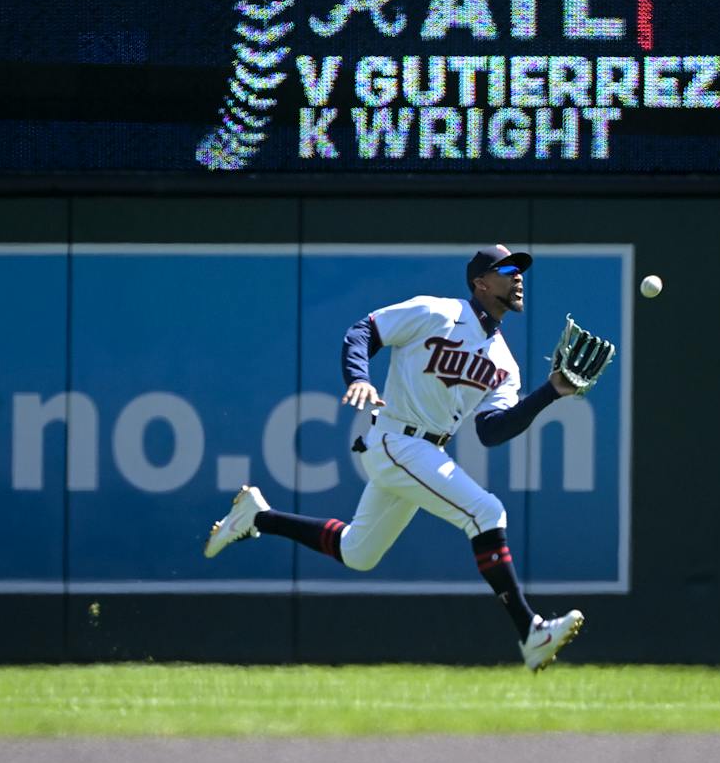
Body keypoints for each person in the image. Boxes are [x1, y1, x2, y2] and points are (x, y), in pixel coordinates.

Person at [203, 244, 585, 671]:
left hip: (423, 450)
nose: (519, 277)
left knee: (358, 552)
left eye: (521, 270)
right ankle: (530, 630)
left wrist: (550, 392)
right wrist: (360, 378)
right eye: (508, 269)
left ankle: (257, 517)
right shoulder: (436, 312)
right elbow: (364, 331)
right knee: (486, 512)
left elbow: (491, 431)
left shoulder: (504, 363)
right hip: (394, 440)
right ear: (480, 283)